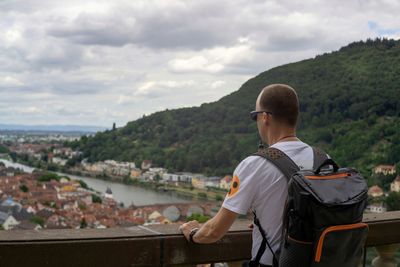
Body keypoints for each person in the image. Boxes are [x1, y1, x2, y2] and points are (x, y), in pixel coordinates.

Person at [180, 84, 315, 267]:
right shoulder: (322, 159)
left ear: (265, 117)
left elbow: (214, 232)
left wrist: (193, 232)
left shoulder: (255, 165)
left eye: (255, 116)